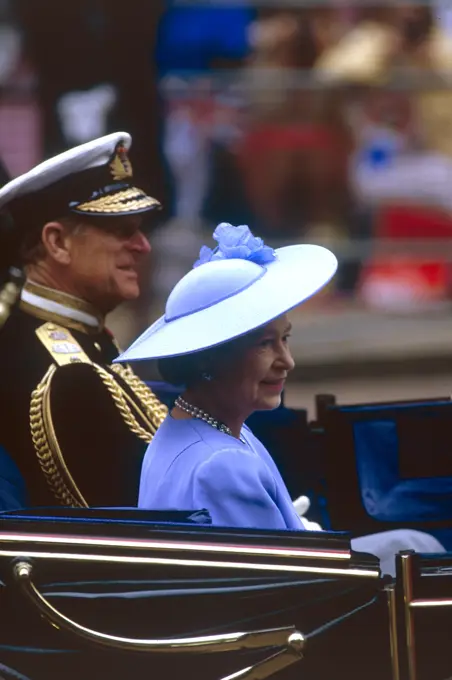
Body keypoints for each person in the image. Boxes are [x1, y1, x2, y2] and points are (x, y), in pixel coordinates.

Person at [115, 222, 445, 576]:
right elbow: (281, 590)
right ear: (209, 359)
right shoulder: (224, 465)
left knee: (416, 544)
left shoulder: (202, 424)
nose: (287, 362)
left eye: (284, 339)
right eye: (264, 345)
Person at [0, 132, 168, 509]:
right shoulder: (62, 376)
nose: (143, 246)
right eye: (124, 231)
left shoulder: (85, 337)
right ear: (57, 243)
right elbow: (124, 533)